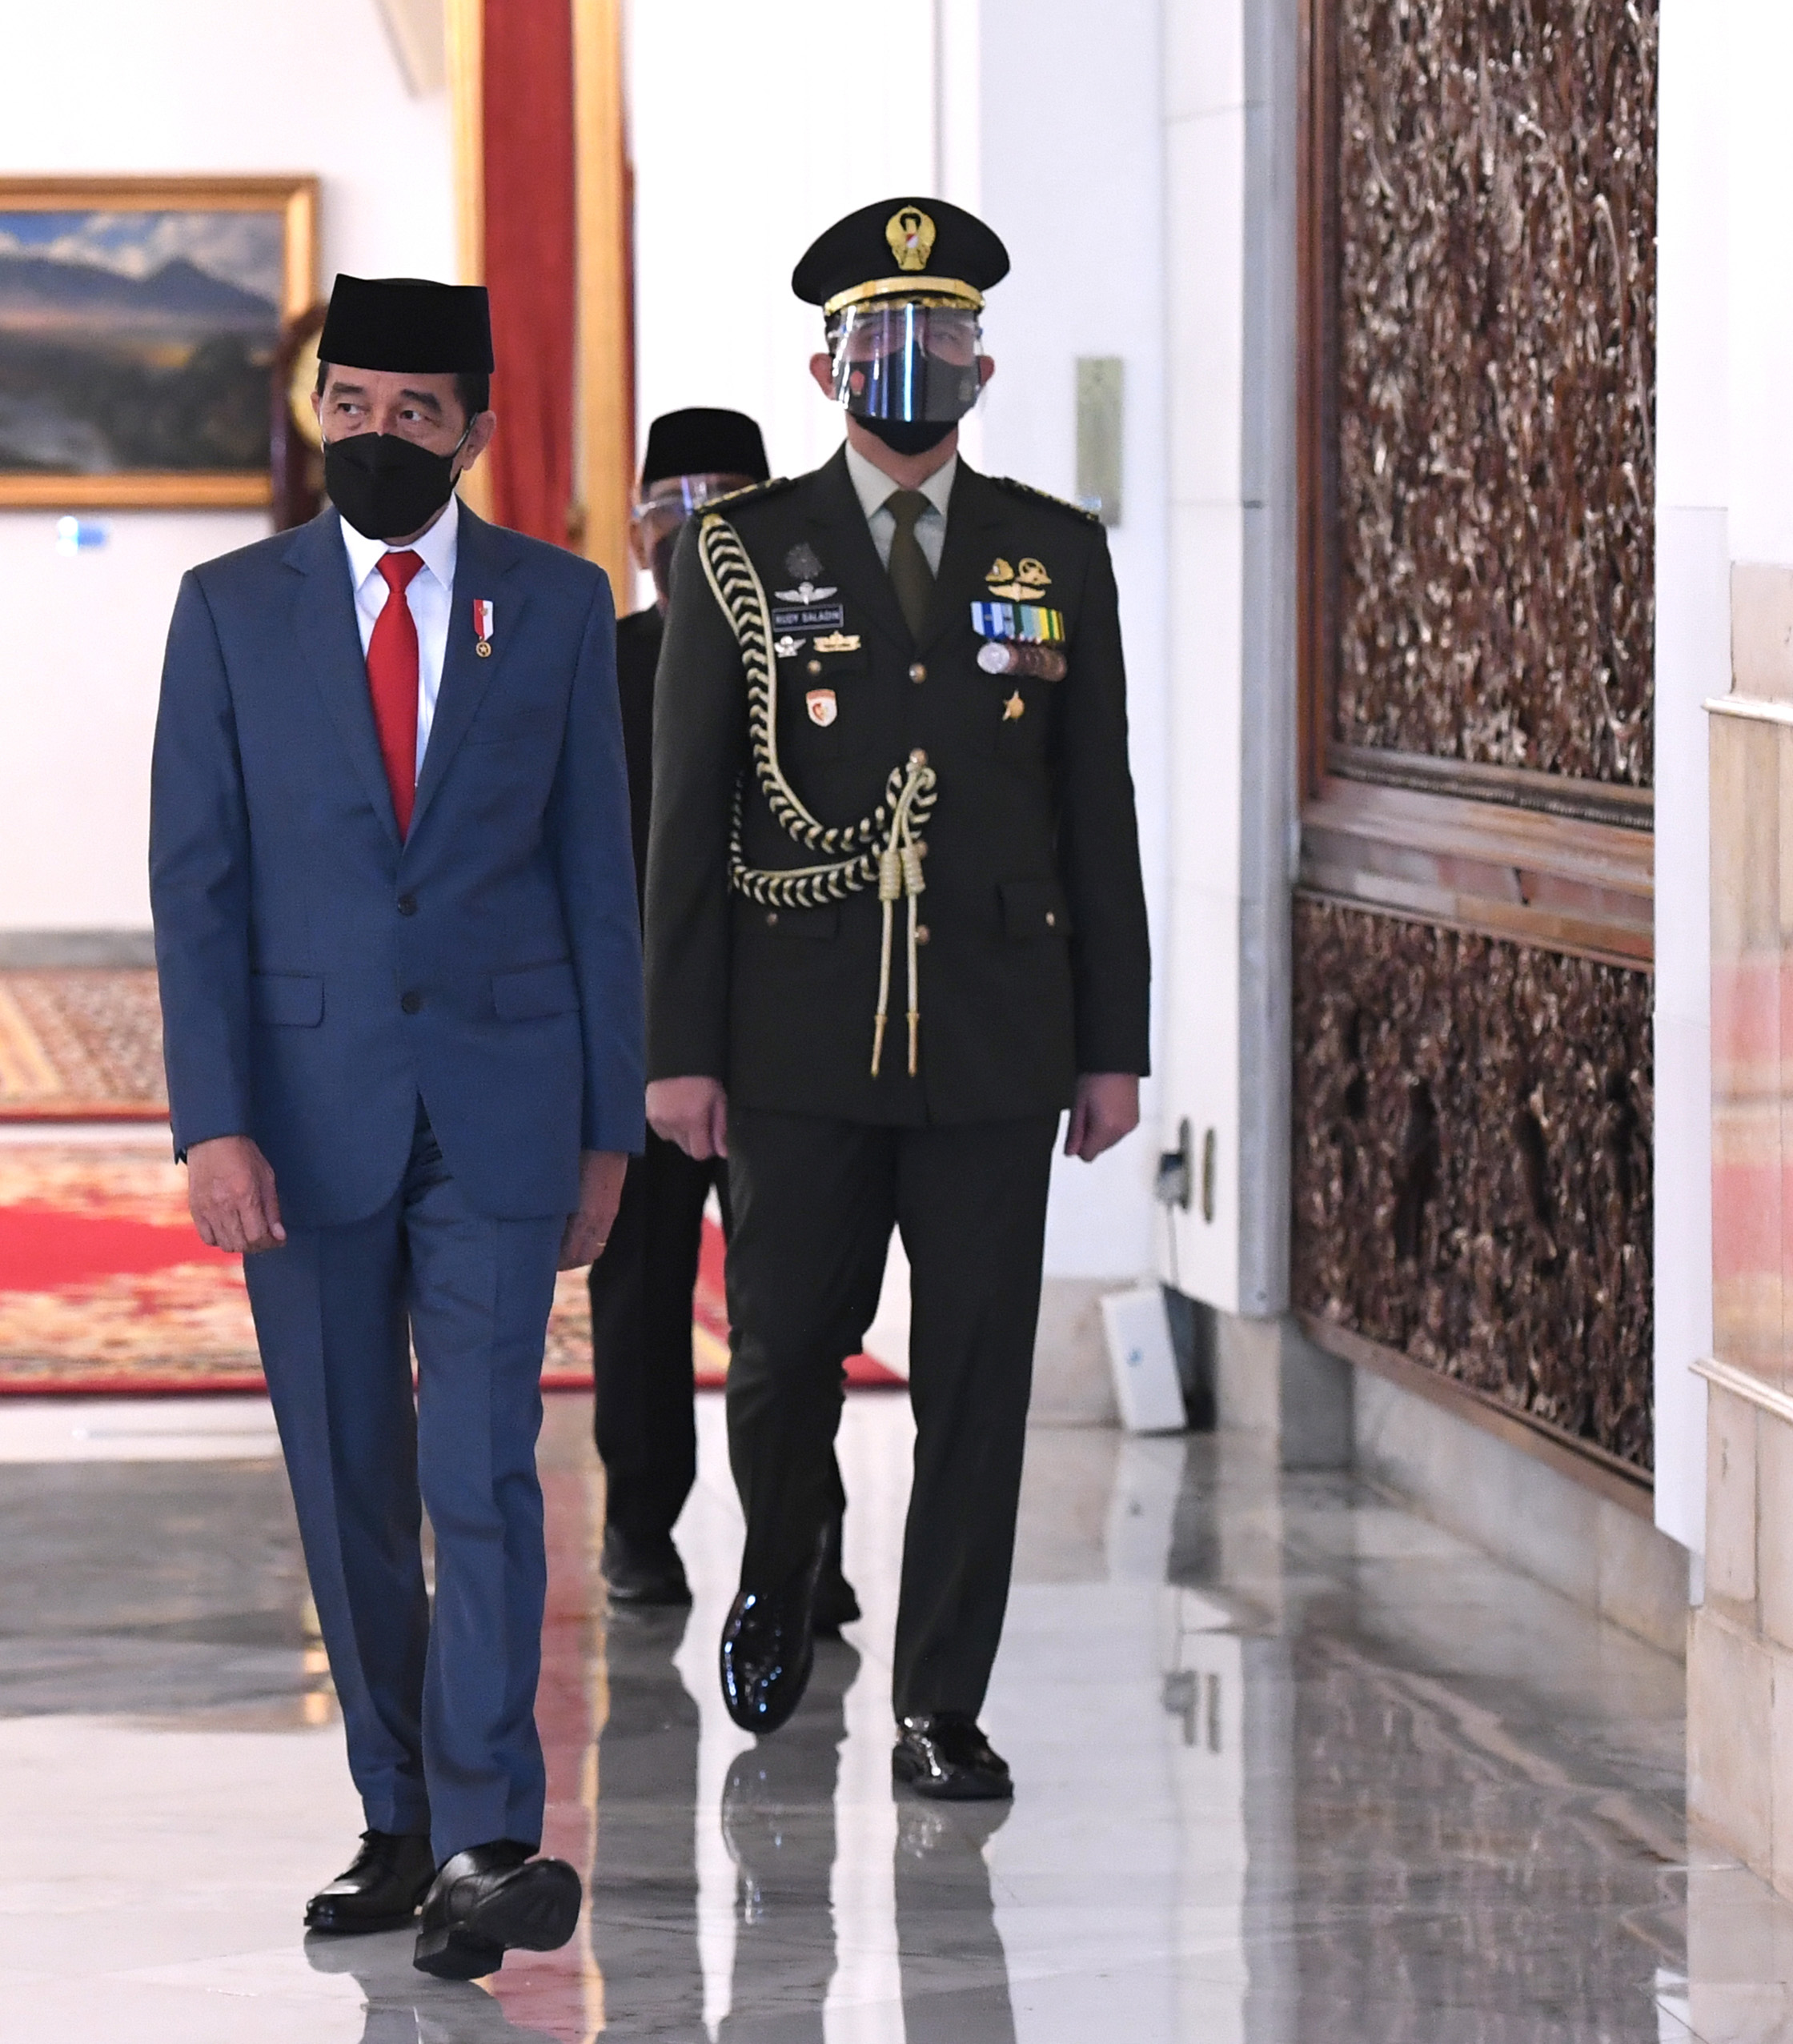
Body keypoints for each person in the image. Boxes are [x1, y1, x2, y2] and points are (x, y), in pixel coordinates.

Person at [148, 274, 644, 1978]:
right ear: (316, 413)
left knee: (477, 1469)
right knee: (348, 1470)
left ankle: (489, 1829)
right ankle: (394, 1810)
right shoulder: (228, 609)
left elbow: (599, 874)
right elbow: (193, 886)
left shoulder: (556, 606)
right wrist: (209, 1118)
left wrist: (607, 1130)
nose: (373, 434)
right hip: (301, 1109)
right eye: (346, 404)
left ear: (471, 431)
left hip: (505, 1106)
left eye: (410, 412)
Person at [643, 198, 1148, 1801]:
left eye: (938, 339)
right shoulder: (740, 552)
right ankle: (778, 1570)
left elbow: (1096, 809)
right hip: (793, 1034)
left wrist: (1112, 1045)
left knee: (976, 1375)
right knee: (788, 1347)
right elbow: (684, 825)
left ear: (982, 361)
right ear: (822, 364)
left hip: (997, 1037)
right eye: (880, 340)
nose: (910, 366)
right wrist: (677, 1051)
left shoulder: (1049, 551)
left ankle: (939, 1695)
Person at [595, 408, 868, 1630]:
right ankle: (640, 1530)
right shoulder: (596, 668)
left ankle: (803, 1543)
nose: (697, 537)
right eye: (673, 516)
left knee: (794, 1306)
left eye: (725, 511)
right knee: (641, 1293)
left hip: (788, 1037)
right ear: (639, 530)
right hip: (640, 1036)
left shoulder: (829, 667)